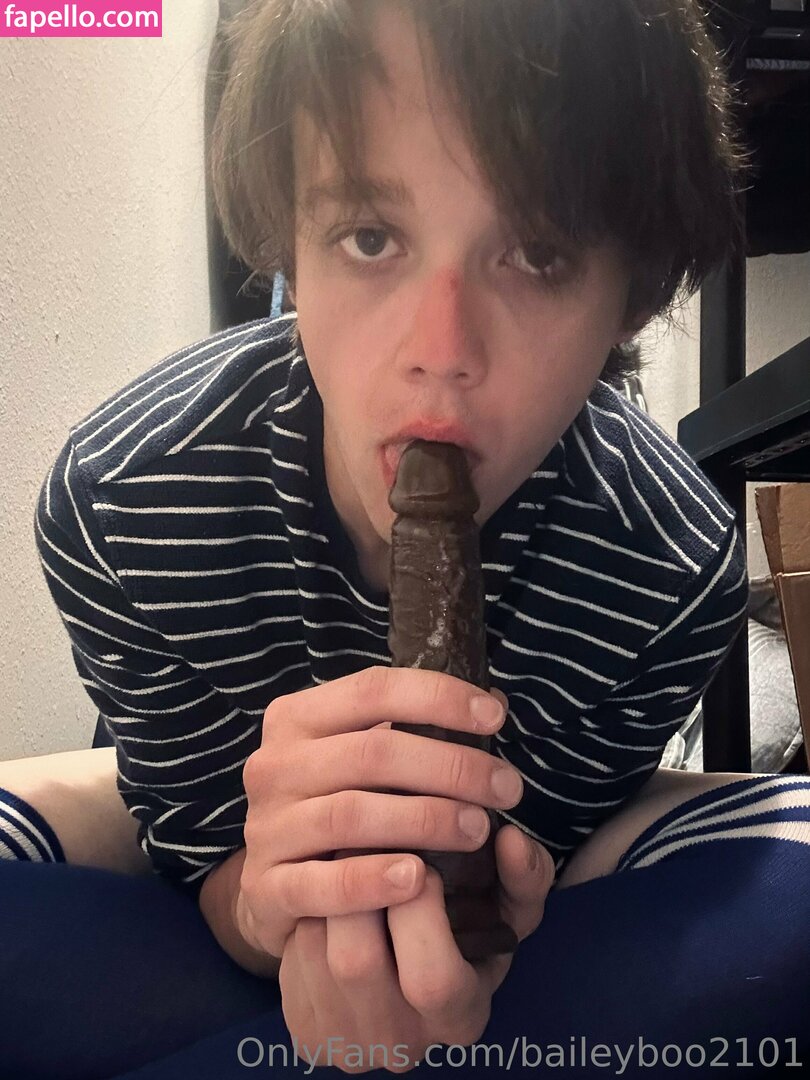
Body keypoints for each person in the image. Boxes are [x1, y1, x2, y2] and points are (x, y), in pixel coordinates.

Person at [7, 0, 808, 1076]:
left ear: (631, 297)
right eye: (370, 238)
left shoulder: (670, 575)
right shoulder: (120, 507)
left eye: (537, 252)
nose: (441, 350)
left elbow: (507, 891)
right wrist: (259, 905)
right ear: (289, 247)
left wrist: (483, 922)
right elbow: (196, 863)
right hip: (187, 831)